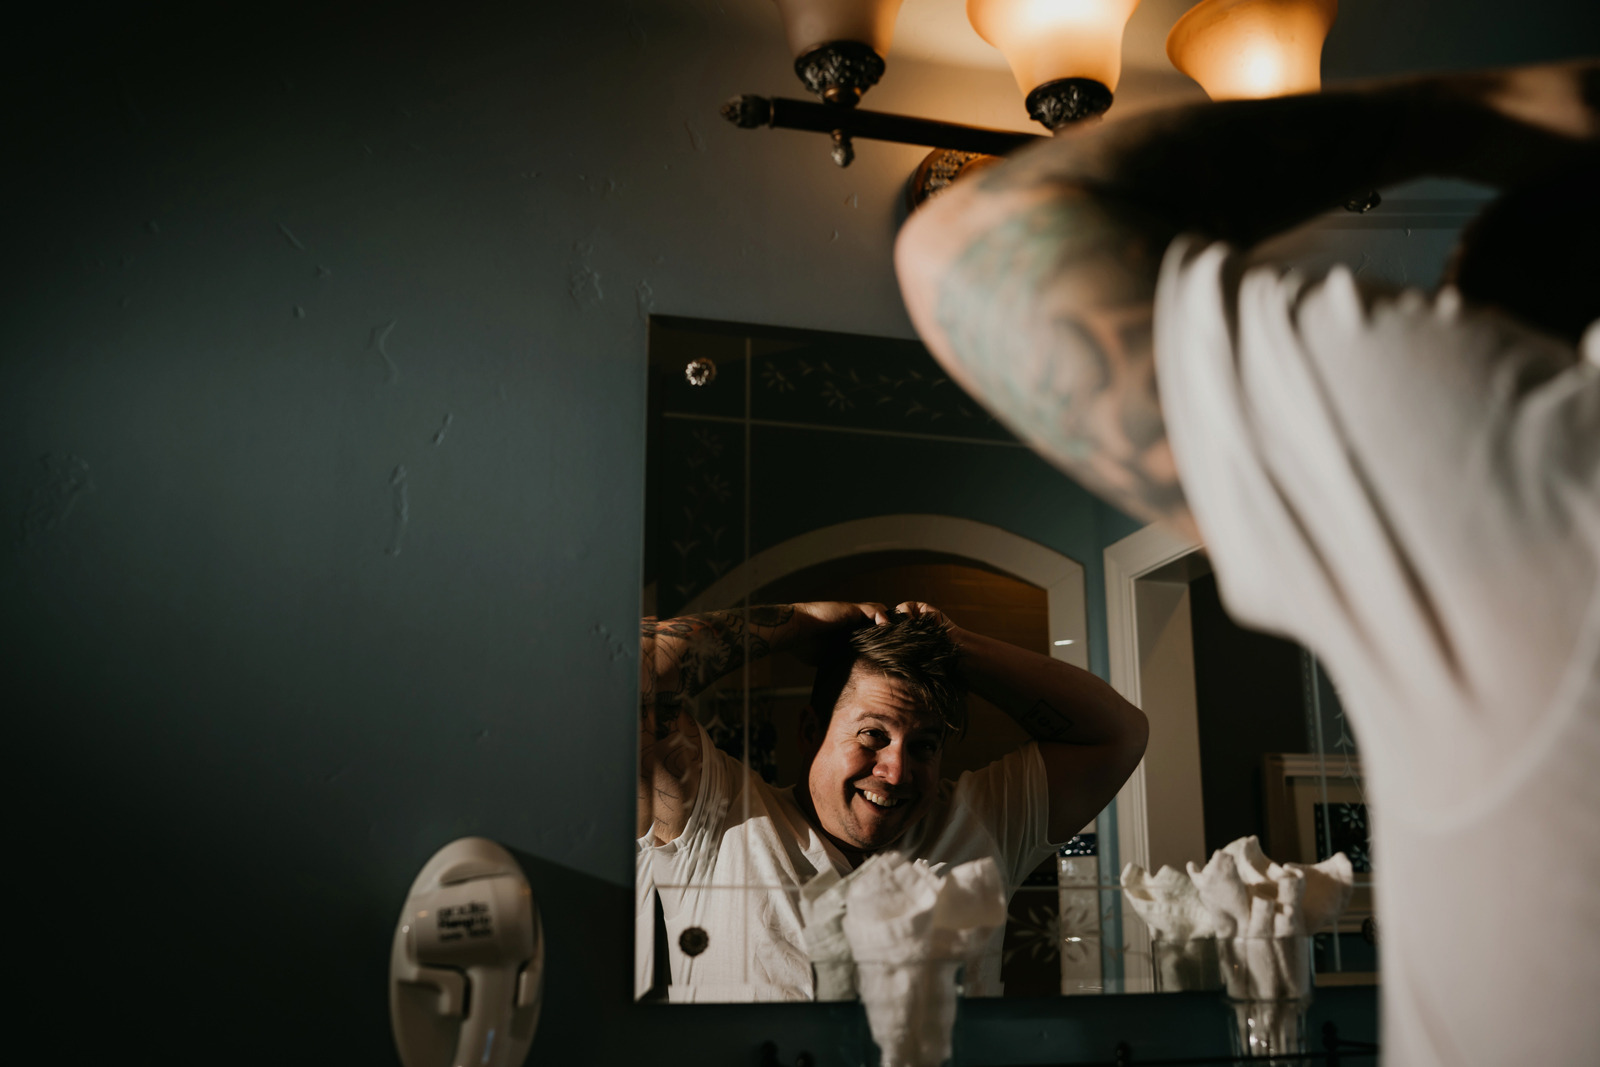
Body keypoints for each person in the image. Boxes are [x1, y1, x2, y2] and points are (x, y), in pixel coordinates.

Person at [894, 60, 1598, 1065]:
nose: (893, 765)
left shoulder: (1540, 462)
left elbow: (969, 239)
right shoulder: (733, 828)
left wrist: (1485, 109)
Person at [637, 602, 1147, 1001]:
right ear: (811, 732)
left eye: (924, 746)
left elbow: (1119, 734)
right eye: (872, 736)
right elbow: (630, 664)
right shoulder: (718, 816)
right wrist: (802, 621)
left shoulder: (980, 824)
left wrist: (955, 646)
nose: (897, 771)